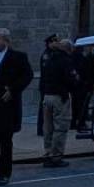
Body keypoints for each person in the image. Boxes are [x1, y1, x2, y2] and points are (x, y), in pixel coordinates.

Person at [0, 28, 33, 186]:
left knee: (4, 142)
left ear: (6, 41)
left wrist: (13, 89)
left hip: (5, 107)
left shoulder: (17, 57)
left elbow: (27, 76)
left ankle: (4, 173)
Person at [40, 39, 78, 168]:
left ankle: (47, 152)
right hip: (60, 97)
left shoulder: (49, 59)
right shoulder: (66, 61)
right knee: (61, 127)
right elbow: (71, 80)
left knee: (48, 128)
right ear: (68, 49)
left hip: (47, 96)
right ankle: (56, 156)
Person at [37, 34, 60, 136]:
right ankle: (41, 129)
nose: (57, 43)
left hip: (50, 86)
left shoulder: (54, 53)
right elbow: (47, 71)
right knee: (44, 109)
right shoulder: (47, 55)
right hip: (46, 86)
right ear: (49, 43)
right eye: (55, 41)